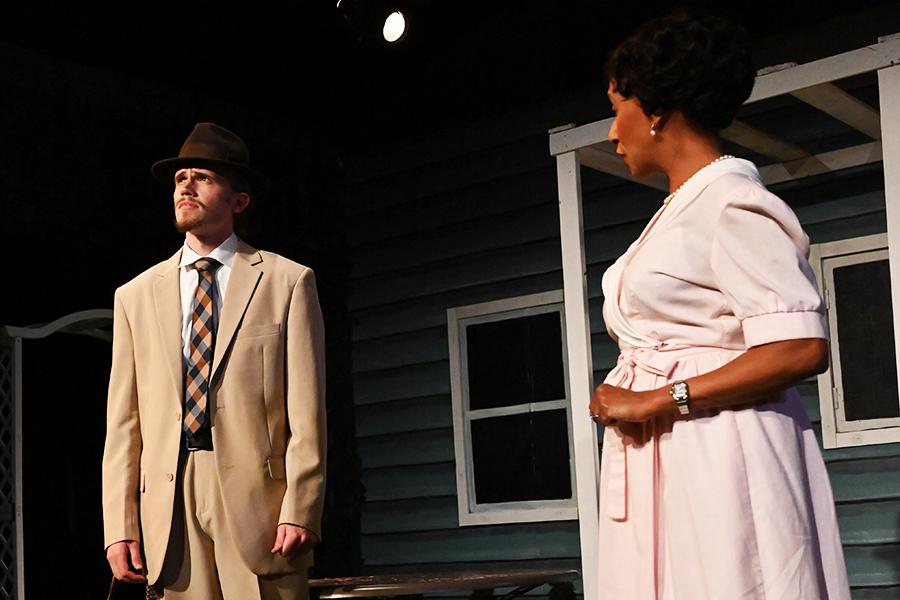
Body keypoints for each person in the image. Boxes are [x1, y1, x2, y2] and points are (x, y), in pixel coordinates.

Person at [588, 10, 851, 599]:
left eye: (616, 109)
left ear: (654, 110)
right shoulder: (683, 209)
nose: (612, 133)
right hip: (678, 452)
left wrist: (657, 398)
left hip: (721, 452)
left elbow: (800, 345)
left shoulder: (731, 202)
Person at [102, 122, 327, 599]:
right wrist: (119, 524)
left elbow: (308, 409)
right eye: (180, 179)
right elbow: (124, 421)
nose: (185, 186)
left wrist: (301, 505)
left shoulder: (286, 282)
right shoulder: (136, 296)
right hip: (170, 493)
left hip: (260, 505)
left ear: (238, 201)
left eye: (202, 177)